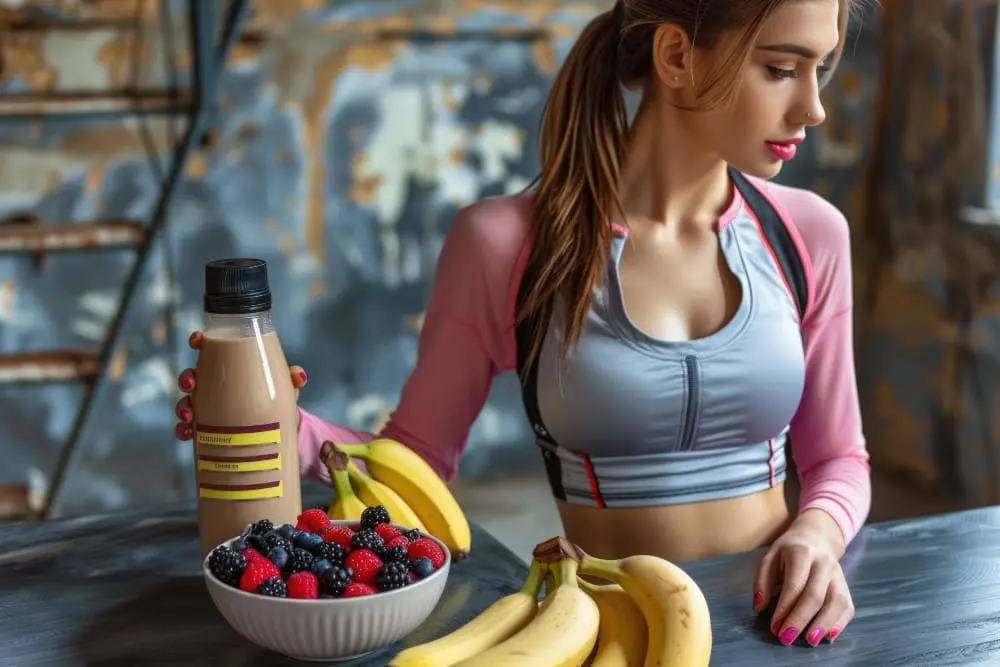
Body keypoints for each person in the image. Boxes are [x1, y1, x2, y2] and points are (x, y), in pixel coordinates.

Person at [175, 0, 870, 649]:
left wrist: (817, 534)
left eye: (821, 68)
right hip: (618, 630)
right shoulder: (508, 247)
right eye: (780, 69)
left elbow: (839, 458)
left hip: (784, 624)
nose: (814, 107)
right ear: (677, 57)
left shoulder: (808, 235)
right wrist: (281, 428)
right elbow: (415, 460)